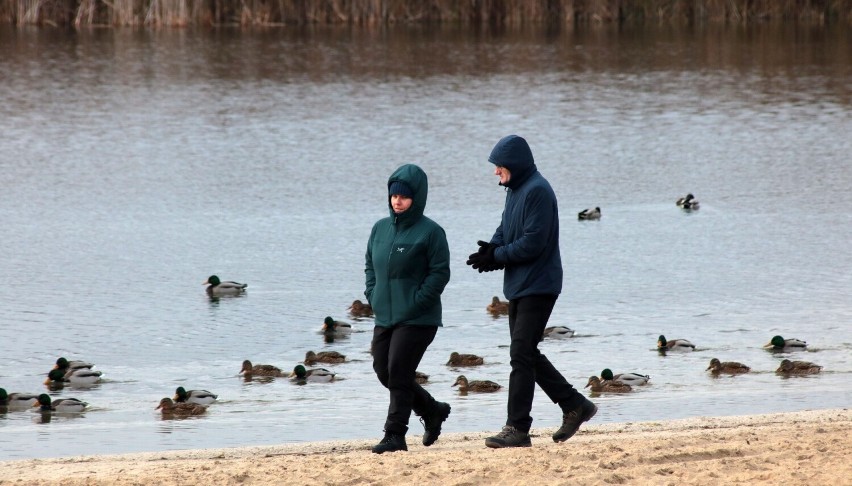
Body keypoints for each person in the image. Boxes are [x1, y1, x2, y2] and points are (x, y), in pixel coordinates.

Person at [466, 134, 597, 448]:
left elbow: (532, 243)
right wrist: (492, 249)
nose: (496, 172)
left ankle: (517, 428)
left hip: (540, 284)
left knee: (520, 354)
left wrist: (498, 257)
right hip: (520, 285)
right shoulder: (515, 190)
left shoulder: (538, 190)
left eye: (499, 166)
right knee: (525, 353)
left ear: (515, 164)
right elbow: (507, 228)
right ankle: (575, 404)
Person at [365, 163, 452, 454]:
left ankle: (394, 435)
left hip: (418, 318)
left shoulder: (431, 232)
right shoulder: (379, 229)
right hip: (385, 315)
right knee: (383, 371)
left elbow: (440, 274)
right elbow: (370, 267)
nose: (397, 201)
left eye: (404, 196)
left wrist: (417, 302)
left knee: (400, 371)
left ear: (417, 198)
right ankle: (432, 410)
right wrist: (372, 295)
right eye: (393, 195)